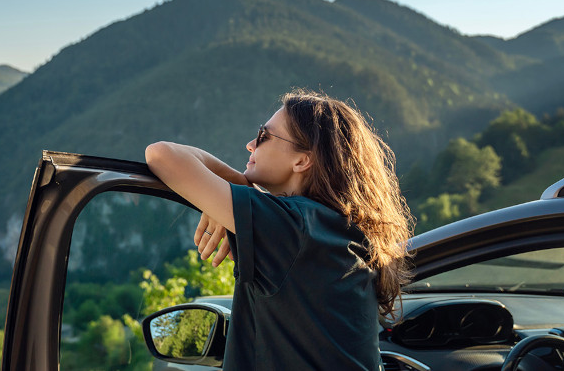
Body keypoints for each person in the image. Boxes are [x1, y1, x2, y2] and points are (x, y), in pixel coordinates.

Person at [145, 89, 414, 370]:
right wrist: (236, 196)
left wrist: (239, 190)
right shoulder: (338, 230)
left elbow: (161, 155)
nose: (251, 145)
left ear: (301, 160)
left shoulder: (293, 227)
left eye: (264, 136)